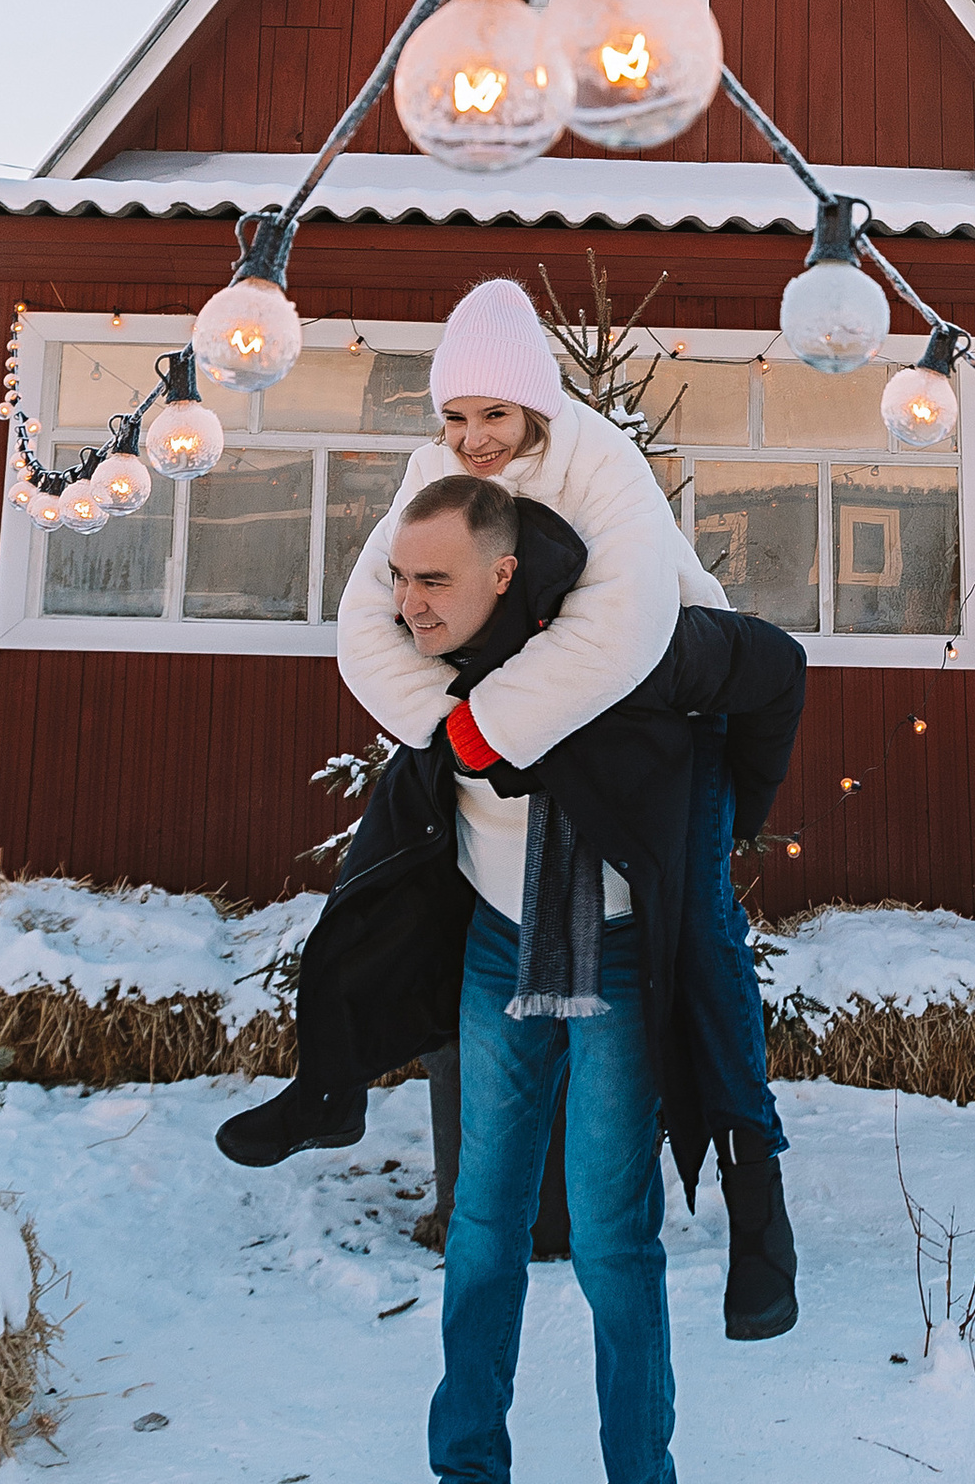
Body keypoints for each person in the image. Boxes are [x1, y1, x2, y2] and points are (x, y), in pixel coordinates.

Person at [278, 461, 800, 1484]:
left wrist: (731, 826)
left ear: (503, 575)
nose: (409, 602)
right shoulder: (433, 672)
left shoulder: (628, 652)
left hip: (620, 958)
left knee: (616, 1250)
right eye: (400, 579)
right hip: (497, 944)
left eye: (434, 582)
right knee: (479, 1236)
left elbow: (772, 673)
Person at [223, 277, 802, 1340]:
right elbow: (365, 621)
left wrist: (493, 731)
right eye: (454, 416)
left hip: (664, 705)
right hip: (513, 715)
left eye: (494, 414)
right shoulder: (433, 471)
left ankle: (756, 1192)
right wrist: (451, 732)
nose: (474, 438)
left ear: (537, 405)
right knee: (384, 860)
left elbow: (623, 623)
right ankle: (329, 1085)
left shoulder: (597, 458)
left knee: (705, 943)